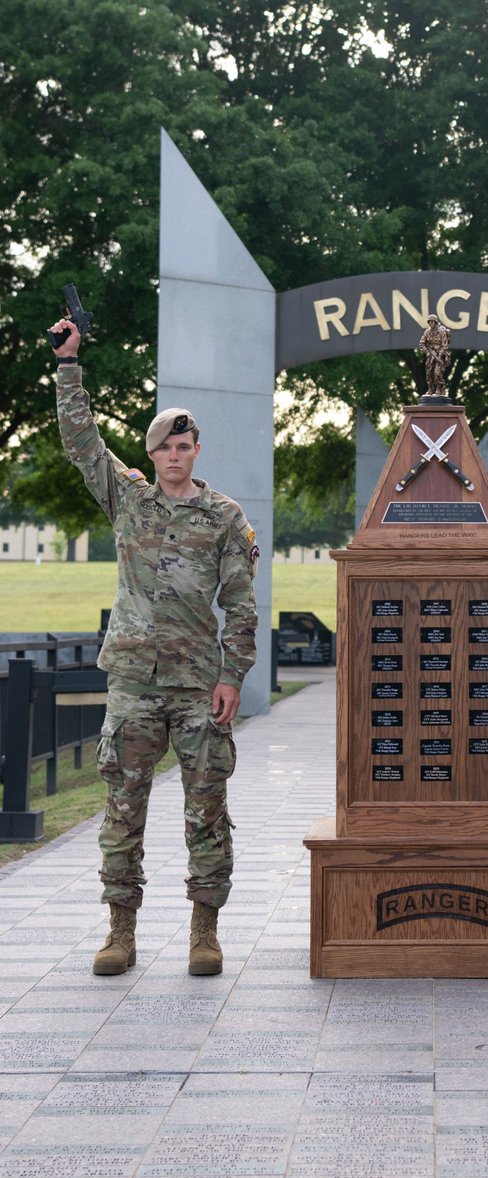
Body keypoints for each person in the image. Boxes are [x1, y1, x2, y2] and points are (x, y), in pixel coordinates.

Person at [50, 317, 259, 977]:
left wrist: (234, 676)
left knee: (207, 812)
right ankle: (121, 933)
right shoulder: (128, 500)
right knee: (121, 810)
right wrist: (68, 364)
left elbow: (241, 603)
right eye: (166, 447)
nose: (175, 455)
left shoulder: (224, 518)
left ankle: (205, 935)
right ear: (153, 452)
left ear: (197, 450)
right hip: (134, 686)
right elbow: (80, 439)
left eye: (186, 445)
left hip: (199, 688)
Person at [418, 313, 451, 396]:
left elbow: (445, 345)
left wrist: (439, 356)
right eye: (429, 322)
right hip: (431, 355)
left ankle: (439, 389)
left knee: (437, 373)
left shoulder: (442, 331)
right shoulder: (427, 331)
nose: (431, 324)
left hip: (441, 355)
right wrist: (428, 352)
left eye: (433, 322)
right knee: (429, 372)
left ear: (436, 322)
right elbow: (421, 343)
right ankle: (430, 389)